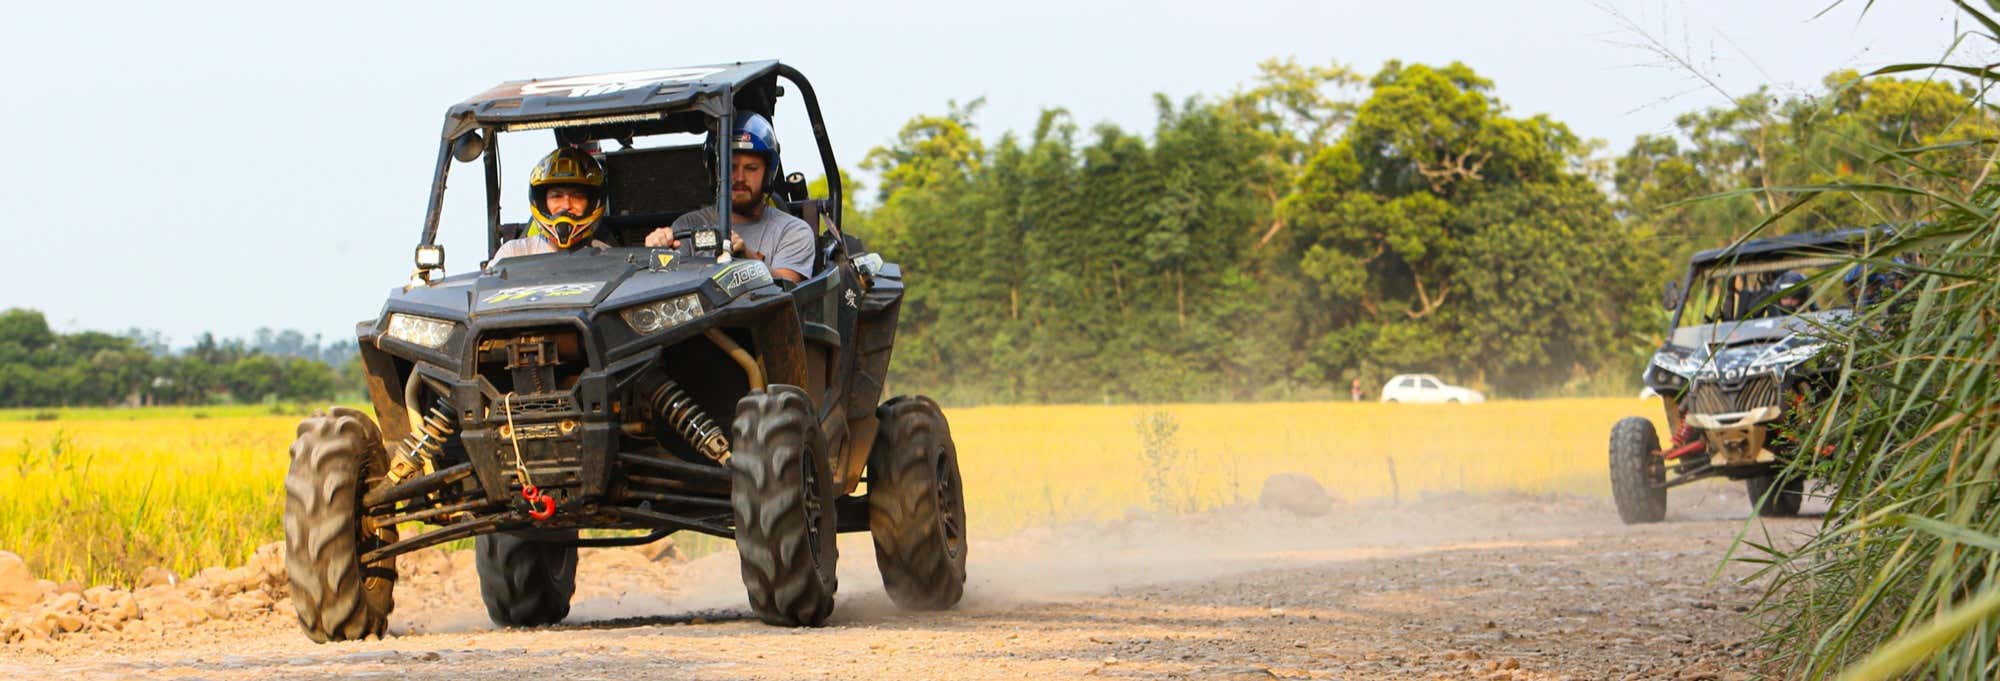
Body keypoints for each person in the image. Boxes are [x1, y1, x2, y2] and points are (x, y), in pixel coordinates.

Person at [644, 112, 816, 283]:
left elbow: (789, 287)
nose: (740, 178)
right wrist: (657, 251)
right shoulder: (686, 227)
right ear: (714, 171)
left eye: (751, 168)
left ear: (767, 174)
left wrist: (747, 260)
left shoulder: (793, 231)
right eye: (730, 167)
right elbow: (665, 285)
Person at [493, 147, 610, 261]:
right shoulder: (514, 254)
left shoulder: (609, 258)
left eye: (577, 196)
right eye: (557, 196)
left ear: (592, 203)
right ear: (542, 202)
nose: (566, 205)